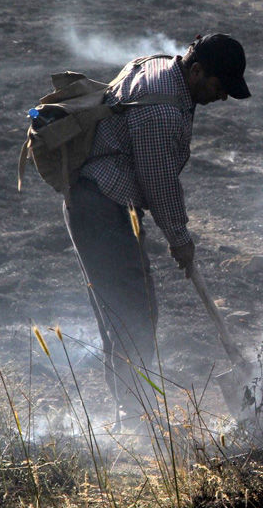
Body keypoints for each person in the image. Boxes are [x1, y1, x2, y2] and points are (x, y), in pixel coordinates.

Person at [65, 33, 251, 430]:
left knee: (126, 309)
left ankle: (133, 409)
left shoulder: (162, 67)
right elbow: (159, 182)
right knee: (132, 312)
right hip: (100, 209)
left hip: (103, 204)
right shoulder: (162, 112)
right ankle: (136, 415)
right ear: (197, 70)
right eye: (219, 87)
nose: (221, 98)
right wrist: (180, 240)